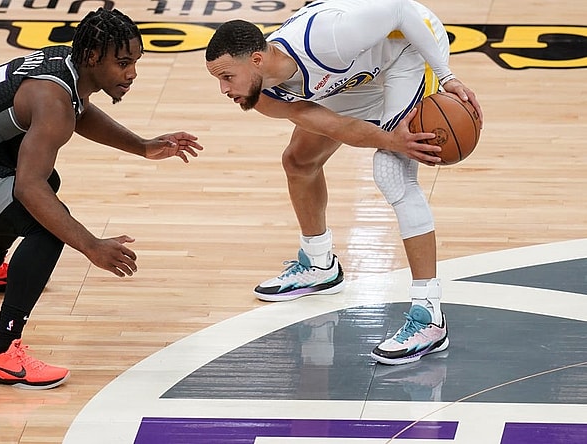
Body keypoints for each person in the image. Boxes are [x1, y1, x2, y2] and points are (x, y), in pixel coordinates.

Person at [0, 8, 203, 389]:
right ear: (94, 58)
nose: (132, 74)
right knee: (46, 228)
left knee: (47, 182)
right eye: (123, 63)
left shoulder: (66, 64)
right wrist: (90, 245)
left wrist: (142, 146)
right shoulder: (52, 99)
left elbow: (78, 112)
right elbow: (30, 187)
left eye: (135, 62)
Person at [205, 0, 483, 365]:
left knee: (392, 171)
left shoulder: (327, 39)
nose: (224, 90)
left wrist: (446, 75)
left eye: (227, 77)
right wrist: (387, 137)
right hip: (359, 77)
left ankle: (429, 318)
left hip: (406, 48)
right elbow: (335, 127)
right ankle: (320, 265)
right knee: (299, 160)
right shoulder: (264, 97)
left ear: (257, 60)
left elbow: (401, 12)